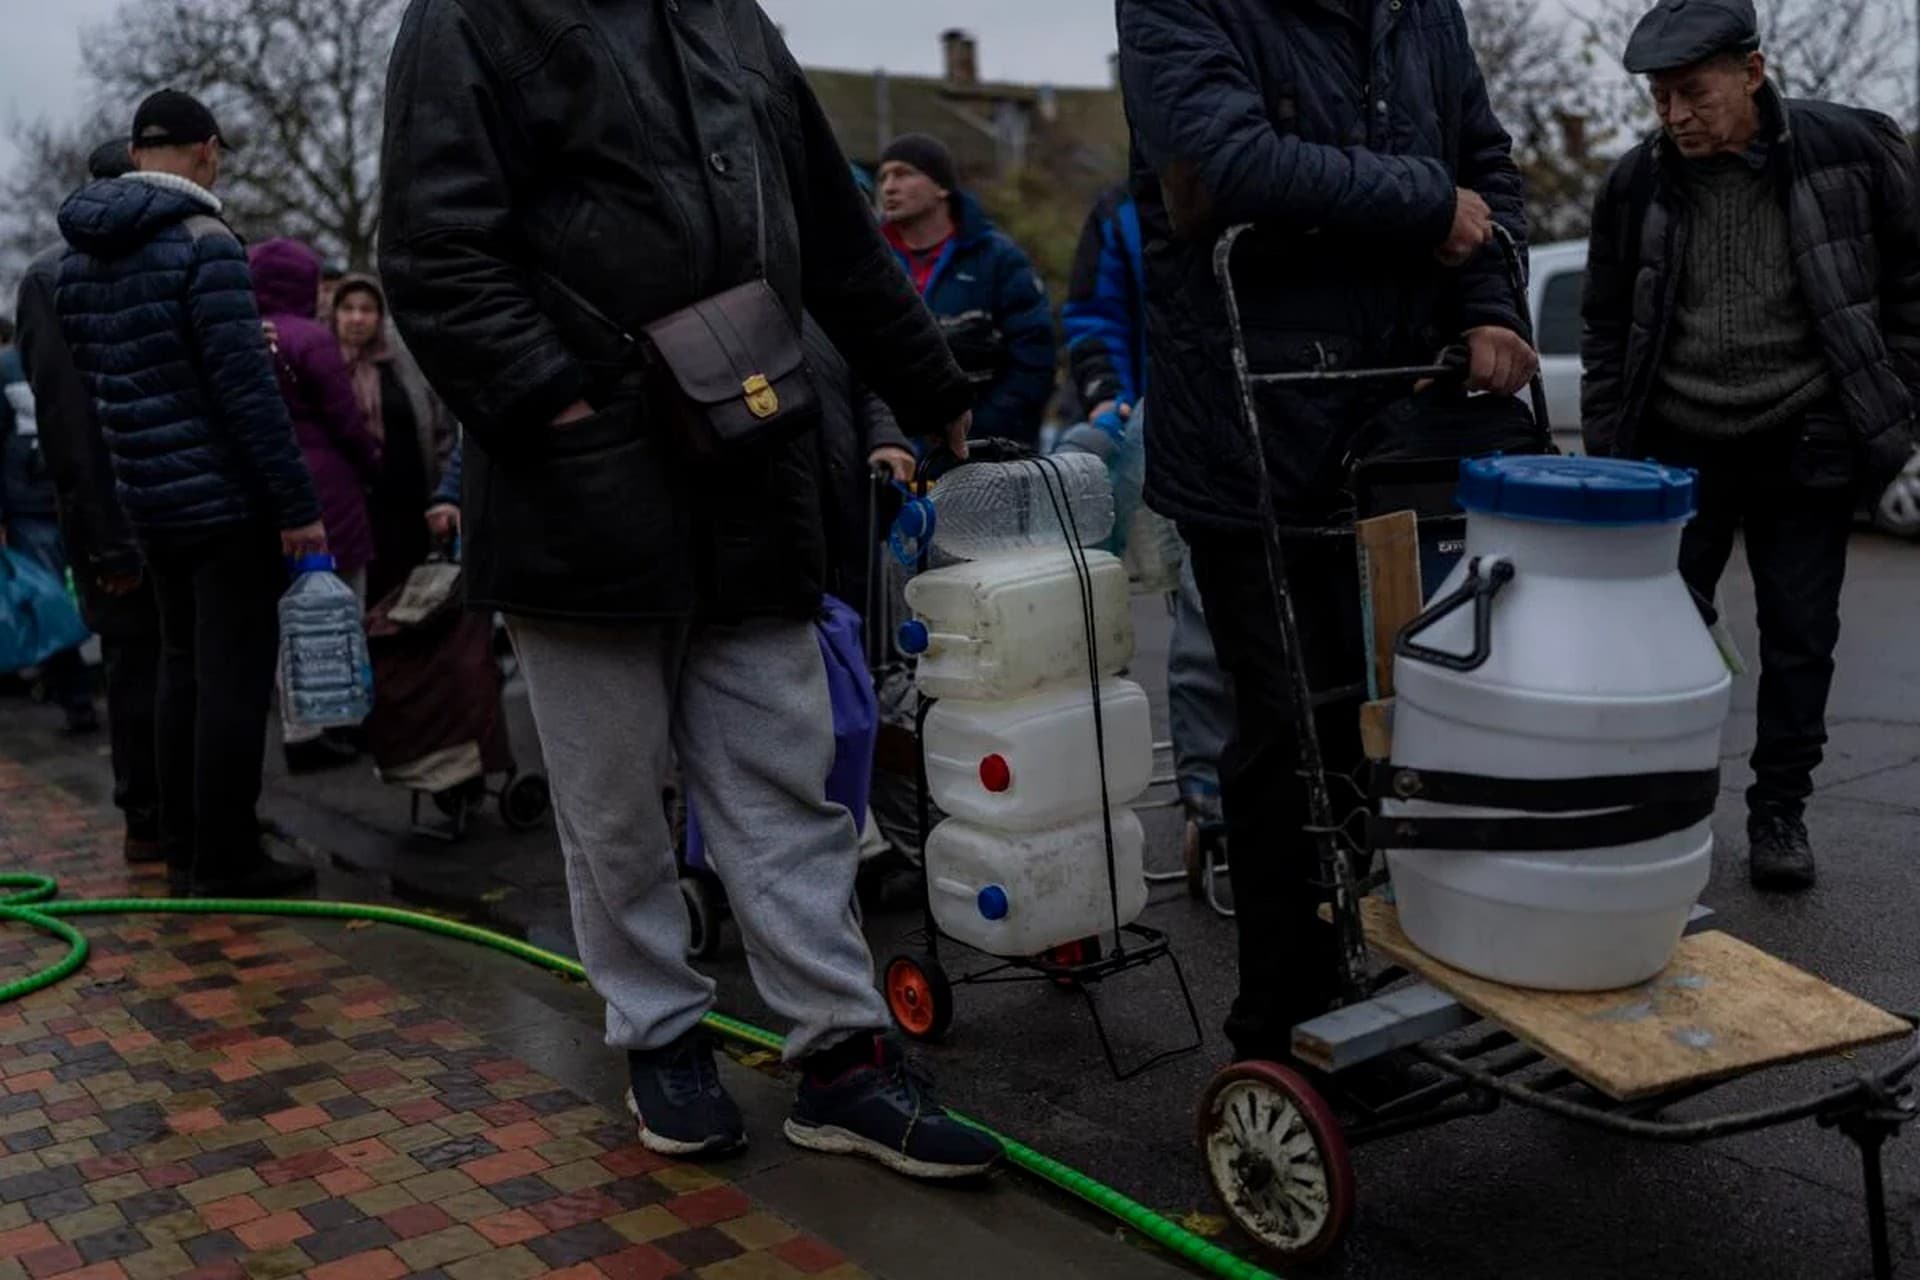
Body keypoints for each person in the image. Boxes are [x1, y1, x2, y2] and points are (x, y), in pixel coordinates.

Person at [380, 0, 999, 1178]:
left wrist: (926, 375)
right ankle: (660, 1031)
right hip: (581, 485)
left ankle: (842, 1054)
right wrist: (556, 404)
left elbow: (831, 219)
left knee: (785, 777)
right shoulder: (469, 17)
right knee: (615, 802)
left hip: (746, 463)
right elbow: (433, 249)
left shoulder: (732, 18)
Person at [1119, 0, 1535, 1068]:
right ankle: (1283, 1029)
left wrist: (1492, 306)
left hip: (1398, 421)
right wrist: (1425, 200)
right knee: (1291, 734)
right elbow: (1225, 159)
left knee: (1405, 720)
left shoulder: (1419, 10)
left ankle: (1385, 979)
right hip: (1255, 434)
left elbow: (1485, 163)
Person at [1582, 0, 1920, 891]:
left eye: (1693, 92)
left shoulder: (1852, 153)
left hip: (1804, 431)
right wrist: (1614, 453)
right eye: (1660, 98)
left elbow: (1909, 281)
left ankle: (1780, 813)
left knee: (1801, 635)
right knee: (1660, 641)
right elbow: (1608, 327)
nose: (1676, 115)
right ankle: (1665, 805)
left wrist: (1895, 396)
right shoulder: (1633, 185)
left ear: (1753, 72)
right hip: (1678, 446)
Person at [54, 89, 324, 899]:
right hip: (224, 504)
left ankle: (180, 846)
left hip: (148, 499)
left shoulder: (77, 258)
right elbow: (245, 392)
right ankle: (228, 857)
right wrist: (296, 504)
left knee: (179, 670)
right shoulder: (207, 245)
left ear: (138, 153)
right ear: (206, 151)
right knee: (233, 679)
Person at [1061, 183, 1233, 831]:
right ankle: (1206, 789)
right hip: (1169, 432)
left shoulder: (1269, 179)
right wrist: (1107, 394)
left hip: (1267, 423)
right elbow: (1094, 315)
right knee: (1200, 608)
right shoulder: (1121, 212)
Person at [14, 140, 162, 860]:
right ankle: (146, 817)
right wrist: (105, 538)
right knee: (136, 666)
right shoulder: (53, 278)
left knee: (165, 665)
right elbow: (66, 421)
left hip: (154, 503)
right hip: (114, 509)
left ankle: (167, 812)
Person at [248, 238, 381, 772]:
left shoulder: (243, 336)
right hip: (329, 493)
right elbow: (345, 420)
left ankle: (298, 727)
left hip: (266, 495)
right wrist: (373, 461)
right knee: (343, 606)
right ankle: (341, 720)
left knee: (291, 616)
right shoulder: (312, 339)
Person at [876, 133, 1057, 447]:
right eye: (884, 177)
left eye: (904, 174)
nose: (889, 187)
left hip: (988, 453)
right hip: (894, 454)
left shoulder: (998, 260)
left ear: (942, 187)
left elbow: (1034, 357)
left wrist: (979, 434)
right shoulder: (872, 264)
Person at [330, 274, 456, 603]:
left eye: (367, 309)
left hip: (409, 507)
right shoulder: (323, 366)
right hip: (352, 509)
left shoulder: (405, 367)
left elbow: (440, 429)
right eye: (348, 308)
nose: (357, 318)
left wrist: (444, 492)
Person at [1, 317, 100, 734]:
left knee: (48, 600)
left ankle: (76, 697)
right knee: (98, 586)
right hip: (77, 494)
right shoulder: (76, 357)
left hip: (27, 503)